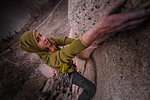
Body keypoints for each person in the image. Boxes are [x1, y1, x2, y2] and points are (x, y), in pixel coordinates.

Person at [19, 0, 150, 100]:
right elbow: (65, 53)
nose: (43, 38)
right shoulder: (48, 59)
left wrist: (83, 44)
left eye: (40, 35)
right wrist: (97, 30)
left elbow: (65, 41)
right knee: (91, 89)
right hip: (68, 74)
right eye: (38, 40)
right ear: (35, 47)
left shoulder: (49, 41)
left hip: (69, 64)